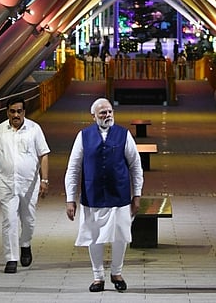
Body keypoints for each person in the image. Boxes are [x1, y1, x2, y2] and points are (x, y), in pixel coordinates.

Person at [65, 98, 143, 293]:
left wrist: (137, 195)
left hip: (120, 195)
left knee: (121, 236)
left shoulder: (124, 135)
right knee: (94, 237)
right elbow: (73, 168)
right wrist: (70, 199)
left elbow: (135, 166)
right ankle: (98, 276)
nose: (107, 115)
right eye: (103, 113)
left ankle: (116, 273)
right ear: (93, 116)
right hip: (93, 195)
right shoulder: (83, 136)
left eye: (109, 112)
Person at [0, 97, 50, 274]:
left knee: (28, 220)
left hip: (29, 184)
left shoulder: (34, 129)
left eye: (19, 111)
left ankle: (26, 244)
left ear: (24, 112)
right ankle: (11, 258)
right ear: (7, 112)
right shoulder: (0, 130)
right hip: (5, 183)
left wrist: (44, 180)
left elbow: (44, 155)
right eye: (12, 111)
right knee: (9, 220)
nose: (15, 115)